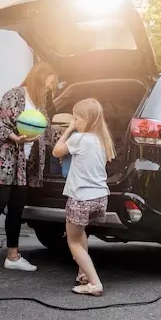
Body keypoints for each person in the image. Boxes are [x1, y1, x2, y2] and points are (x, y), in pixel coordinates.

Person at [0, 62, 59, 279]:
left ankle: (13, 256)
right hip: (3, 163)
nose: (50, 88)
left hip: (22, 167)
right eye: (49, 83)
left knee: (17, 210)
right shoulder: (15, 95)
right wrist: (15, 137)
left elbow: (45, 131)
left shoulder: (39, 104)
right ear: (40, 78)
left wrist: (73, 133)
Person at [51, 98, 116, 296]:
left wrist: (69, 129)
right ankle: (84, 274)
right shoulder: (103, 140)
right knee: (81, 235)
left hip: (81, 198)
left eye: (77, 118)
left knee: (73, 241)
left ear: (87, 119)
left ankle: (95, 283)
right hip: (100, 197)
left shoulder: (79, 138)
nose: (75, 121)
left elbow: (56, 151)